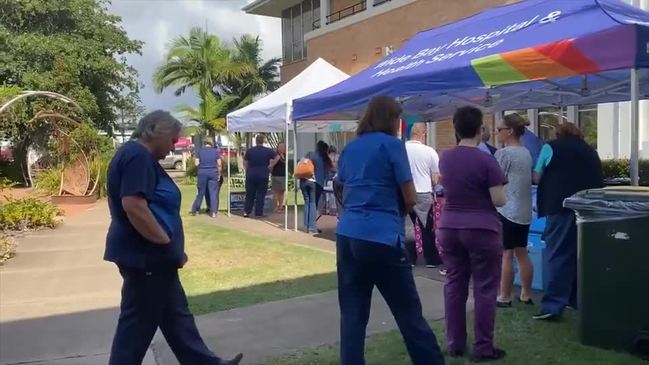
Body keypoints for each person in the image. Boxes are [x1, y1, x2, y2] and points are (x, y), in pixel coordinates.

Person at [104, 110, 242, 365]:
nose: (172, 148)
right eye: (171, 141)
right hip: (145, 259)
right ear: (157, 132)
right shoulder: (137, 157)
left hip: (153, 260)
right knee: (135, 329)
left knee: (177, 318)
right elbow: (134, 205)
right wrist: (165, 242)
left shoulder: (136, 155)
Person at [336, 96, 445, 365]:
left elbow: (340, 186)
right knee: (408, 312)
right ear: (392, 120)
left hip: (347, 234)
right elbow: (409, 196)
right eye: (399, 119)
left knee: (352, 314)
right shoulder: (392, 146)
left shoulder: (351, 148)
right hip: (381, 236)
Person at [438, 106, 507, 362]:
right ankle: (483, 348)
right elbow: (499, 200)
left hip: (449, 226)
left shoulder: (445, 157)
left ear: (455, 129)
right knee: (485, 287)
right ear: (481, 130)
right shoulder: (487, 160)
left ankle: (455, 344)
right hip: (481, 228)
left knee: (454, 285)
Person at [533, 123, 603, 321]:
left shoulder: (551, 147)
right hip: (589, 209)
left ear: (558, 133)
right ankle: (577, 300)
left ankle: (552, 305)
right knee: (580, 256)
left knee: (557, 254)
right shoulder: (589, 150)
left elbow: (537, 176)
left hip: (560, 207)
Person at [493, 113, 534, 308]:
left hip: (506, 210)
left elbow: (494, 181)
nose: (496, 132)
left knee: (506, 254)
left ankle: (504, 295)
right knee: (522, 253)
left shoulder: (504, 154)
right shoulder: (526, 152)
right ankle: (526, 294)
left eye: (500, 129)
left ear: (509, 131)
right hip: (524, 211)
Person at [404, 122, 443, 269]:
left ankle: (410, 258)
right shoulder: (429, 151)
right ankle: (431, 258)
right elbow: (436, 175)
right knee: (426, 227)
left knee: (408, 227)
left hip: (405, 192)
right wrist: (433, 184)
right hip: (424, 193)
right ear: (423, 134)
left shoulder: (401, 150)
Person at [300, 140, 333, 234]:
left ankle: (306, 226)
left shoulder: (309, 154)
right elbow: (327, 174)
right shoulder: (324, 159)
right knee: (313, 204)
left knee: (307, 203)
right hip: (316, 183)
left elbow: (301, 163)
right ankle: (312, 228)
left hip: (304, 181)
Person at [243, 134, 278, 218]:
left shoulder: (250, 151)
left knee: (249, 193)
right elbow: (277, 157)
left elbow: (245, 161)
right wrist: (271, 165)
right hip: (263, 174)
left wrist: (246, 169)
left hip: (251, 174)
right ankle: (258, 212)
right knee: (261, 194)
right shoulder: (268, 151)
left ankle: (246, 211)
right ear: (263, 141)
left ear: (256, 141)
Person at [190, 139, 221, 218]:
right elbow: (219, 164)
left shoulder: (200, 151)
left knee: (201, 192)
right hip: (213, 172)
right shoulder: (215, 151)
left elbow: (196, 163)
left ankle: (195, 210)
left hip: (202, 172)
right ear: (212, 143)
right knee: (213, 193)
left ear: (204, 143)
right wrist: (219, 174)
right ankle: (213, 212)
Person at [270, 142, 286, 213]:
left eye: (283, 147)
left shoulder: (285, 155)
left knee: (282, 192)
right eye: (280, 147)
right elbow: (271, 165)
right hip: (276, 176)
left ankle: (280, 206)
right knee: (276, 193)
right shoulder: (275, 155)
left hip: (283, 176)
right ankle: (275, 207)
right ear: (278, 148)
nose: (282, 148)